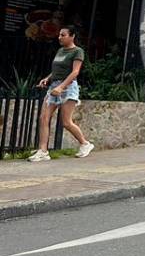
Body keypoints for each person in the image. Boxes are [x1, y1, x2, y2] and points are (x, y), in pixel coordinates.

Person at [29, 26, 95, 162]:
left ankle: (85, 144)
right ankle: (43, 151)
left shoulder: (78, 51)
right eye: (59, 35)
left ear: (72, 36)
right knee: (43, 118)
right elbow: (56, 70)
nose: (59, 37)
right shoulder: (60, 51)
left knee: (66, 122)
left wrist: (61, 87)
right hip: (54, 86)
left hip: (68, 87)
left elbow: (75, 72)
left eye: (63, 35)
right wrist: (47, 79)